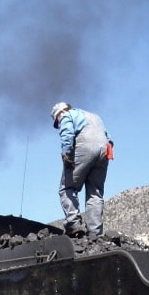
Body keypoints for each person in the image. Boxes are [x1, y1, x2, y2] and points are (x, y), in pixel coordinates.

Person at [52, 102, 113, 238]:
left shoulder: (67, 115)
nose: (58, 122)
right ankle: (95, 232)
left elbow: (67, 131)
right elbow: (109, 138)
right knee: (95, 193)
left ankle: (73, 224)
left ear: (60, 113)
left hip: (84, 146)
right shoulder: (95, 117)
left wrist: (66, 152)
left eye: (57, 120)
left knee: (67, 188)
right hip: (104, 150)